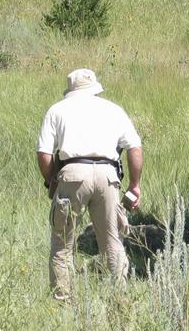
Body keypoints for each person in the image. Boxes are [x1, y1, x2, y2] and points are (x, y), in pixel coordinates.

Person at [36, 68, 143, 302]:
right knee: (112, 243)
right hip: (108, 175)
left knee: (63, 245)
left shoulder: (57, 110)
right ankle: (119, 299)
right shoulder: (113, 110)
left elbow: (44, 154)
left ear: (71, 89)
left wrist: (51, 181)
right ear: (95, 88)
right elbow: (134, 147)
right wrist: (134, 185)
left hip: (72, 174)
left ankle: (62, 303)